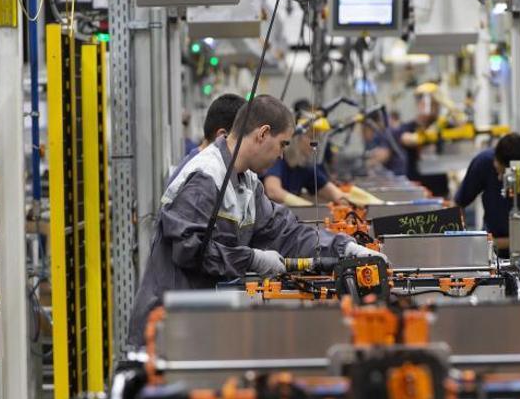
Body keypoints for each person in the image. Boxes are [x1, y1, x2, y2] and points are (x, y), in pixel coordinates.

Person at [130, 95, 386, 346]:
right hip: (167, 328)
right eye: (283, 144)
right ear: (262, 134)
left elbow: (286, 233)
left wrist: (345, 248)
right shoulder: (205, 176)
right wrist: (252, 259)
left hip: (199, 323)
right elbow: (189, 250)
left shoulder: (248, 182)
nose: (282, 156)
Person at [454, 133, 520, 254]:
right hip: (491, 247)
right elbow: (458, 204)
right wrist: (460, 242)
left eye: (503, 175)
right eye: (498, 171)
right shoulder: (483, 163)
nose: (499, 178)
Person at [262, 113, 346, 205]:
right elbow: (273, 191)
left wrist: (350, 202)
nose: (315, 143)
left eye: (317, 138)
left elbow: (335, 194)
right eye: (311, 137)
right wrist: (306, 207)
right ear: (294, 136)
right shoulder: (278, 158)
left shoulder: (305, 167)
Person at [395, 86, 450, 197]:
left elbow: (461, 129)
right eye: (431, 104)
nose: (435, 108)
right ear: (419, 104)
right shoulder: (408, 127)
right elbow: (407, 139)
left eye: (436, 105)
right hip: (415, 188)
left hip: (440, 189)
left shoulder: (444, 126)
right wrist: (427, 134)